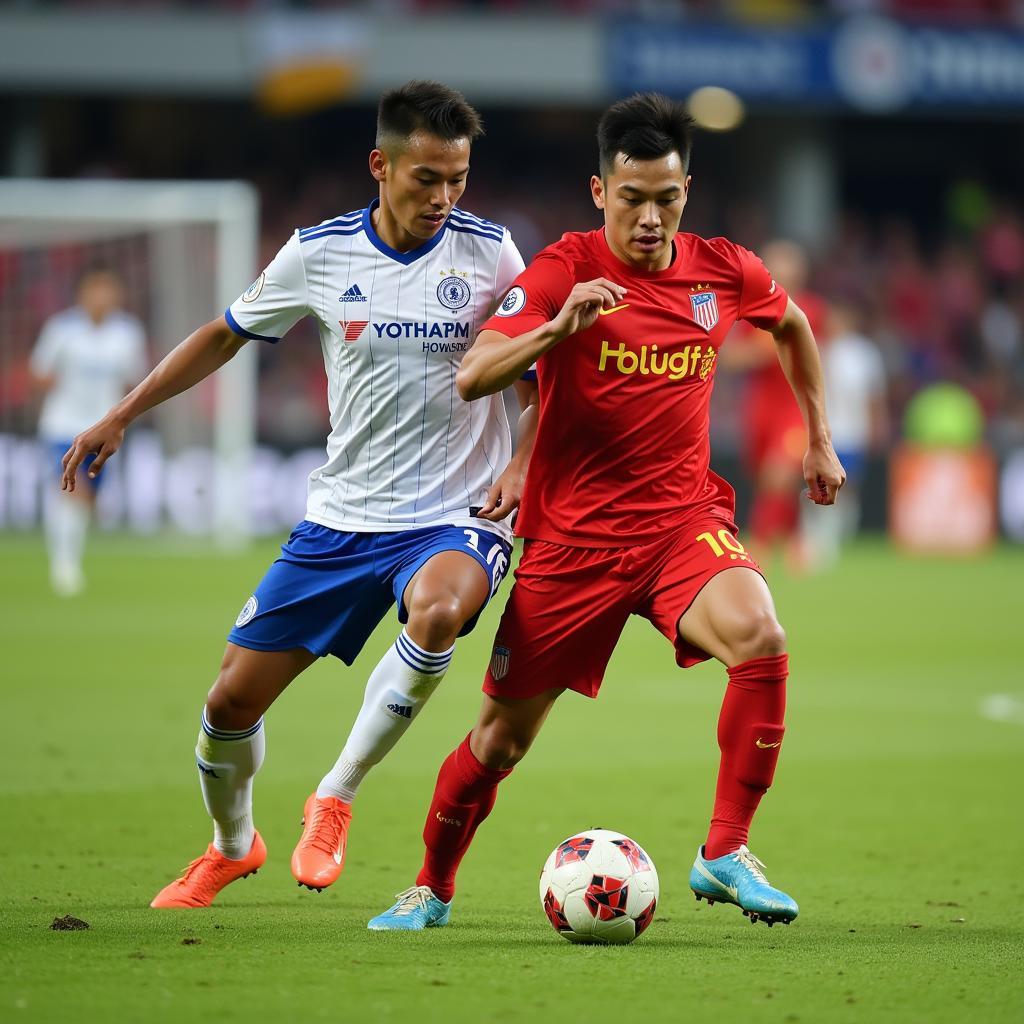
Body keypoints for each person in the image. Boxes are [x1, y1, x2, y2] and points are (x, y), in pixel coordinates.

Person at [367, 93, 845, 932]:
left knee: (762, 636)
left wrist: (819, 438)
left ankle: (724, 853)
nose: (651, 217)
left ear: (686, 193)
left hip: (677, 527)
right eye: (633, 199)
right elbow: (475, 373)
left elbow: (794, 326)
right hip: (571, 545)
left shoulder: (723, 269)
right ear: (600, 192)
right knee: (497, 745)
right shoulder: (560, 270)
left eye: (667, 198)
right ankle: (430, 888)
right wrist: (559, 331)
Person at [62, 80, 537, 909]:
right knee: (228, 701)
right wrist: (122, 413)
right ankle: (232, 845)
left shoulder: (490, 253)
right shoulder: (319, 253)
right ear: (380, 166)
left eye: (458, 177)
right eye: (427, 177)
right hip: (342, 518)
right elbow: (222, 335)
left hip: (460, 514)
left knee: (437, 610)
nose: (444, 196)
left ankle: (337, 793)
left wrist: (522, 463)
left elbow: (536, 383)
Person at [30, 267, 147, 596]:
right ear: (83, 294)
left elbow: (134, 380)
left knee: (90, 499)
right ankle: (64, 565)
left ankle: (67, 557)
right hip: (62, 424)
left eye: (108, 291)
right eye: (97, 290)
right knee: (73, 489)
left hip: (103, 428)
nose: (102, 298)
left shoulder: (127, 332)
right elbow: (39, 372)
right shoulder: (62, 330)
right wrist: (64, 385)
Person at [721, 239, 828, 570]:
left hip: (793, 410)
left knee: (778, 474)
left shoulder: (810, 310)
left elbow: (810, 358)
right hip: (758, 410)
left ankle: (759, 544)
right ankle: (798, 541)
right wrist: (758, 352)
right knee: (766, 479)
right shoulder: (751, 312)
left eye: (789, 267)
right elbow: (731, 359)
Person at [804, 296, 888, 568]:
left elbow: (874, 395)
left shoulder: (864, 353)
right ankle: (820, 540)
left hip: (854, 431)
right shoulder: (821, 348)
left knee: (848, 487)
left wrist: (877, 424)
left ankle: (840, 536)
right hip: (827, 431)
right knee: (822, 483)